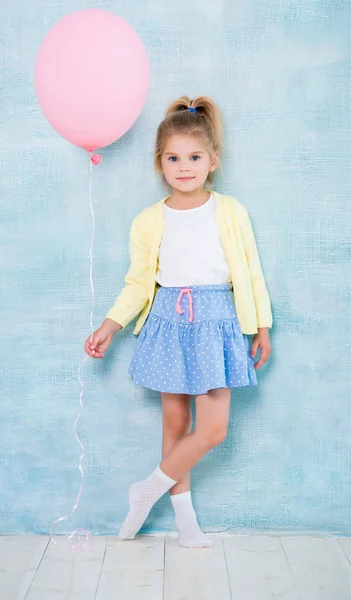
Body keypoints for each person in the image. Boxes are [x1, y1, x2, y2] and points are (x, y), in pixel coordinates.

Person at [84, 95, 273, 548]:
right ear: (159, 163)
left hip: (216, 323)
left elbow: (249, 270)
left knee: (211, 429)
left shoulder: (230, 211)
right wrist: (110, 325)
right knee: (173, 423)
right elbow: (137, 283)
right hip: (169, 322)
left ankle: (145, 489)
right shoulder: (150, 220)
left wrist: (261, 325)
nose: (183, 166)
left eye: (194, 157)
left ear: (212, 161)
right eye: (173, 157)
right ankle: (186, 523)